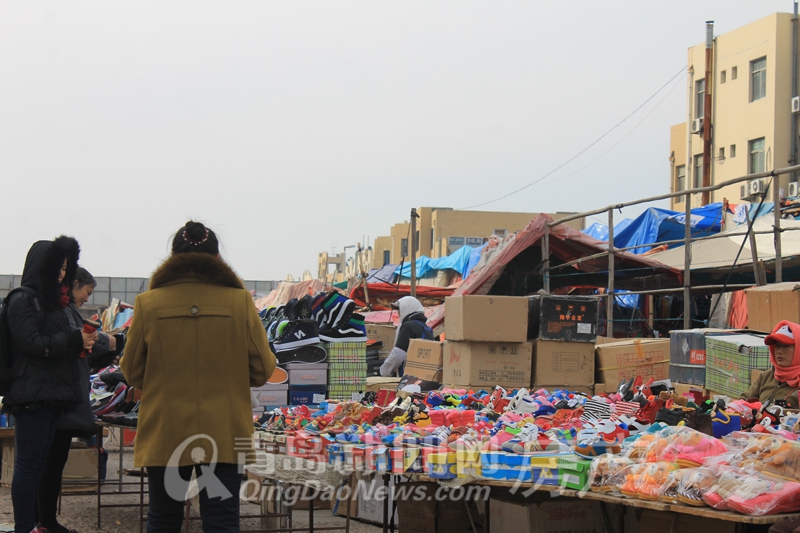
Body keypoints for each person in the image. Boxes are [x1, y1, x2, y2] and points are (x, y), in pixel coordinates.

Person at [120, 221, 276, 533]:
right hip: (224, 430)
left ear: (172, 258)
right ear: (217, 258)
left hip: (165, 428)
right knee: (222, 519)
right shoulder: (240, 302)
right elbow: (262, 369)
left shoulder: (148, 303)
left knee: (163, 518)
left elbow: (132, 371)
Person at [3, 236, 95, 533]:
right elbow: (31, 343)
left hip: (55, 395)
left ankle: (38, 524)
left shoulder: (56, 303)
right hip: (32, 397)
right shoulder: (22, 299)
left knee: (40, 464)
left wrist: (83, 343)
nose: (61, 274)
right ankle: (25, 526)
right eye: (58, 268)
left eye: (66, 269)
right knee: (29, 466)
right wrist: (73, 340)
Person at [37, 267, 123, 533]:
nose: (88, 297)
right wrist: (105, 343)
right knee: (49, 464)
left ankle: (41, 521)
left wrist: (104, 353)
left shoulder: (68, 312)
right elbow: (73, 347)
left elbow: (81, 355)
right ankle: (43, 521)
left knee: (51, 463)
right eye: (88, 291)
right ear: (74, 284)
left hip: (65, 396)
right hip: (59, 398)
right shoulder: (61, 313)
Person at [742, 320, 800, 409]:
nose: (779, 351)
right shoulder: (766, 376)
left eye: (786, 346)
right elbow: (744, 399)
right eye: (777, 346)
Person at [380, 296, 434, 377]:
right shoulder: (426, 328)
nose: (398, 313)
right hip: (425, 376)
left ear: (408, 308)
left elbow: (398, 354)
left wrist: (383, 371)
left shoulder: (408, 326)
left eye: (400, 309)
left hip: (410, 378)